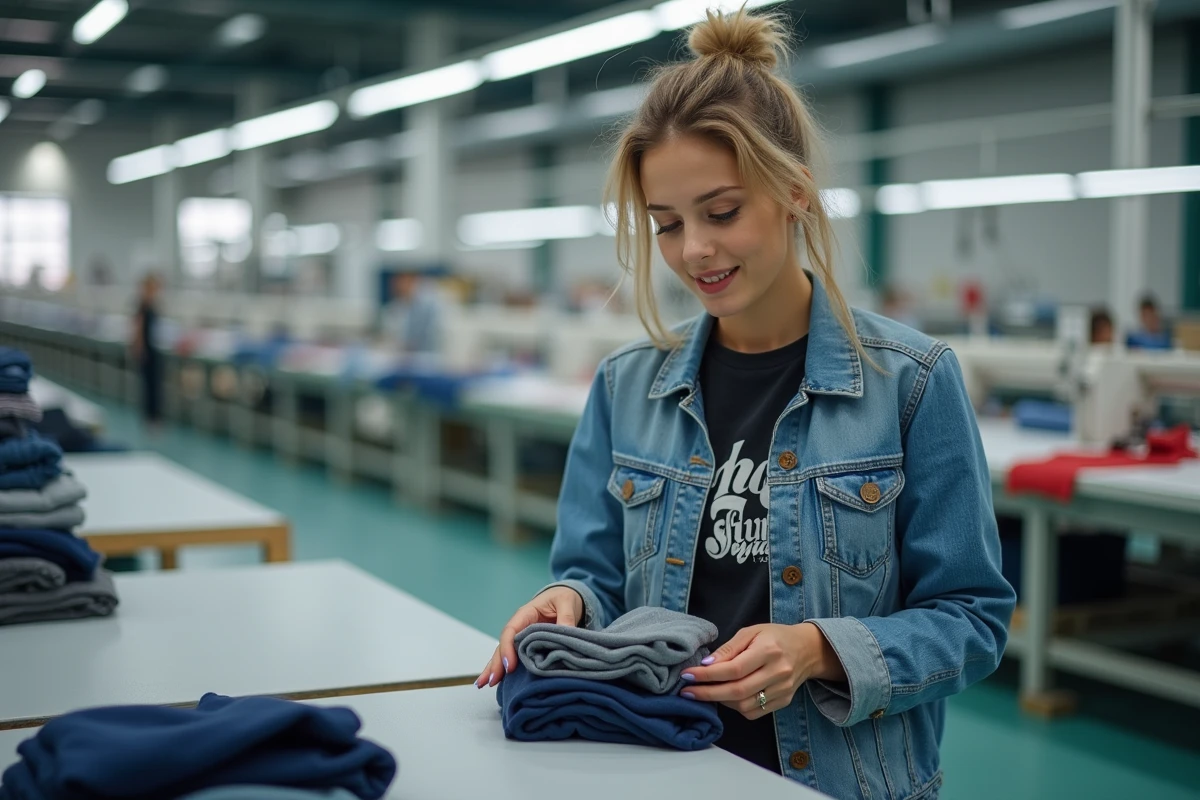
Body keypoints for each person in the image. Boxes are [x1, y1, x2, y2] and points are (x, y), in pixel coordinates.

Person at [477, 10, 1014, 797]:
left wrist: (820, 650)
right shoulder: (626, 388)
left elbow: (972, 618)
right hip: (659, 762)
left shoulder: (912, 383)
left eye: (721, 212)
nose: (694, 249)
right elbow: (594, 580)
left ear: (794, 193)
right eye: (666, 225)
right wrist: (568, 601)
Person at [380, 269, 444, 356]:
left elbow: (423, 338)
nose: (401, 286)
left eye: (406, 282)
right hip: (399, 356)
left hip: (424, 356)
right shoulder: (393, 308)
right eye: (398, 282)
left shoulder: (427, 308)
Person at [130, 273, 164, 432]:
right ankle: (150, 419)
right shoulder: (143, 305)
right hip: (147, 350)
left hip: (154, 348)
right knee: (149, 386)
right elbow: (138, 328)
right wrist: (139, 348)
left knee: (155, 386)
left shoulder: (152, 304)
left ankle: (154, 417)